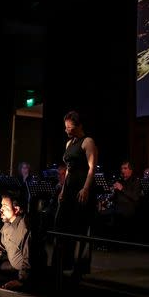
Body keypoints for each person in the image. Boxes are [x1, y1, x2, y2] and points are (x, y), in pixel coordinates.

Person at [54, 110, 97, 278]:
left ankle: (79, 267)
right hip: (70, 187)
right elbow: (69, 171)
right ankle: (62, 263)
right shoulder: (68, 143)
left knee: (79, 227)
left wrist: (86, 188)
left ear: (79, 126)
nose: (66, 130)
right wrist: (63, 189)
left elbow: (92, 168)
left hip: (81, 188)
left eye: (69, 127)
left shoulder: (88, 142)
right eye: (65, 127)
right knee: (60, 224)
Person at [103, 161, 144, 240]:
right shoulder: (121, 180)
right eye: (122, 168)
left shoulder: (136, 181)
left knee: (113, 216)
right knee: (102, 213)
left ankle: (113, 241)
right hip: (118, 206)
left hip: (129, 208)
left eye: (125, 168)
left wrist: (122, 188)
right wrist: (111, 191)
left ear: (131, 170)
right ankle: (104, 241)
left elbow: (135, 197)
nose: (122, 170)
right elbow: (116, 196)